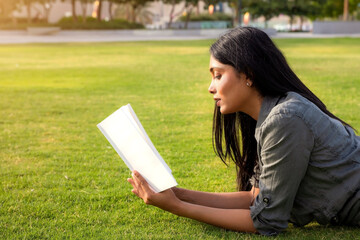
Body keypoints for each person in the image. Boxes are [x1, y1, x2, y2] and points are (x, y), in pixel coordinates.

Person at [127, 27, 360, 235]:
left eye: (218, 75)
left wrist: (178, 207)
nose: (210, 88)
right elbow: (255, 197)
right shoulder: (272, 115)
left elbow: (268, 221)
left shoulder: (285, 118)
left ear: (248, 75)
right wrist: (179, 194)